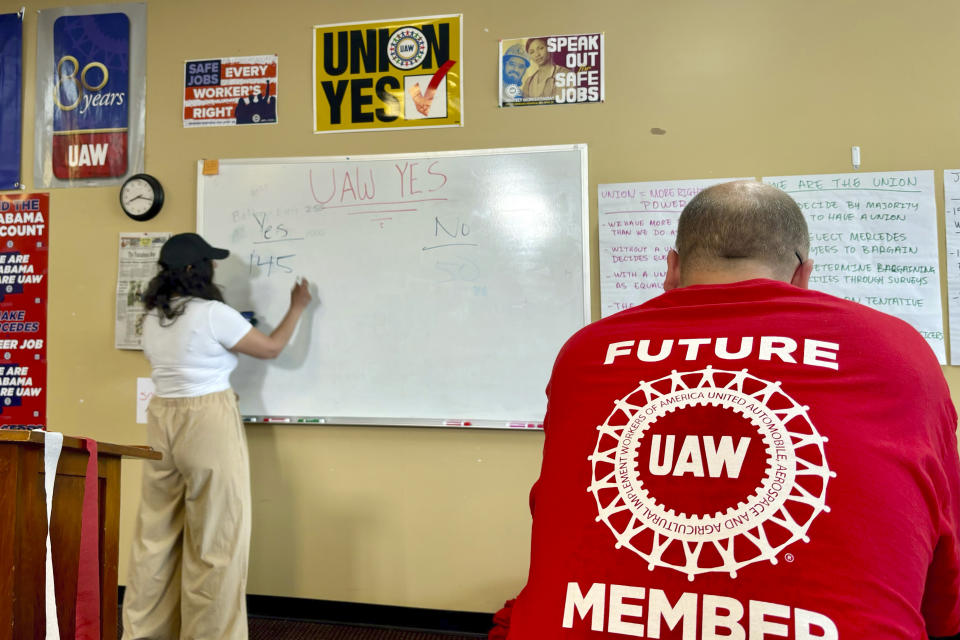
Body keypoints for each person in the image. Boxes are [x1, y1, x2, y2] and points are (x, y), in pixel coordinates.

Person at [490, 181, 960, 639]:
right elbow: (941, 541)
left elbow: (554, 504)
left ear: (671, 269)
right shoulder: (895, 351)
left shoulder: (587, 350)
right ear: (802, 276)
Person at [122, 232, 313, 640]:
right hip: (206, 419)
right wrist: (297, 308)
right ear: (197, 270)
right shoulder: (212, 312)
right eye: (210, 262)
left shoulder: (152, 315)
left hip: (160, 422)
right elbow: (272, 349)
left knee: (155, 539)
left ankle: (143, 633)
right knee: (216, 542)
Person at [521, 37, 570, 101]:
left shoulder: (565, 74)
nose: (537, 54)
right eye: (532, 52)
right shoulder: (529, 82)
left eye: (541, 48)